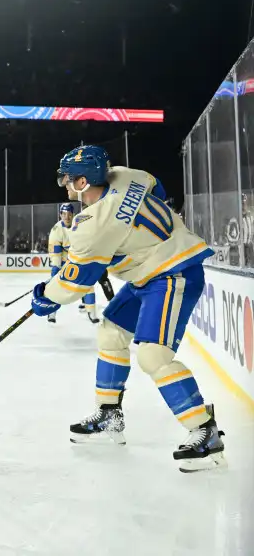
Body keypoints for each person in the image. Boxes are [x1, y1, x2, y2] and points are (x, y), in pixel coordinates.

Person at [30, 144, 225, 471]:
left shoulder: (93, 225)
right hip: (151, 271)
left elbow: (77, 282)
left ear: (82, 183)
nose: (65, 185)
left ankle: (206, 433)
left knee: (153, 355)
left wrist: (45, 296)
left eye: (69, 179)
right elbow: (157, 188)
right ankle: (109, 415)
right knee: (111, 333)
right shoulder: (125, 175)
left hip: (171, 272)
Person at [47, 203, 113, 324]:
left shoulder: (80, 225)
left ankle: (92, 313)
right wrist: (57, 268)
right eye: (64, 214)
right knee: (55, 288)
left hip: (80, 259)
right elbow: (55, 253)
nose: (66, 217)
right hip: (64, 261)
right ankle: (51, 313)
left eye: (69, 214)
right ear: (60, 215)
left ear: (73, 214)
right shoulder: (56, 230)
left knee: (88, 285)